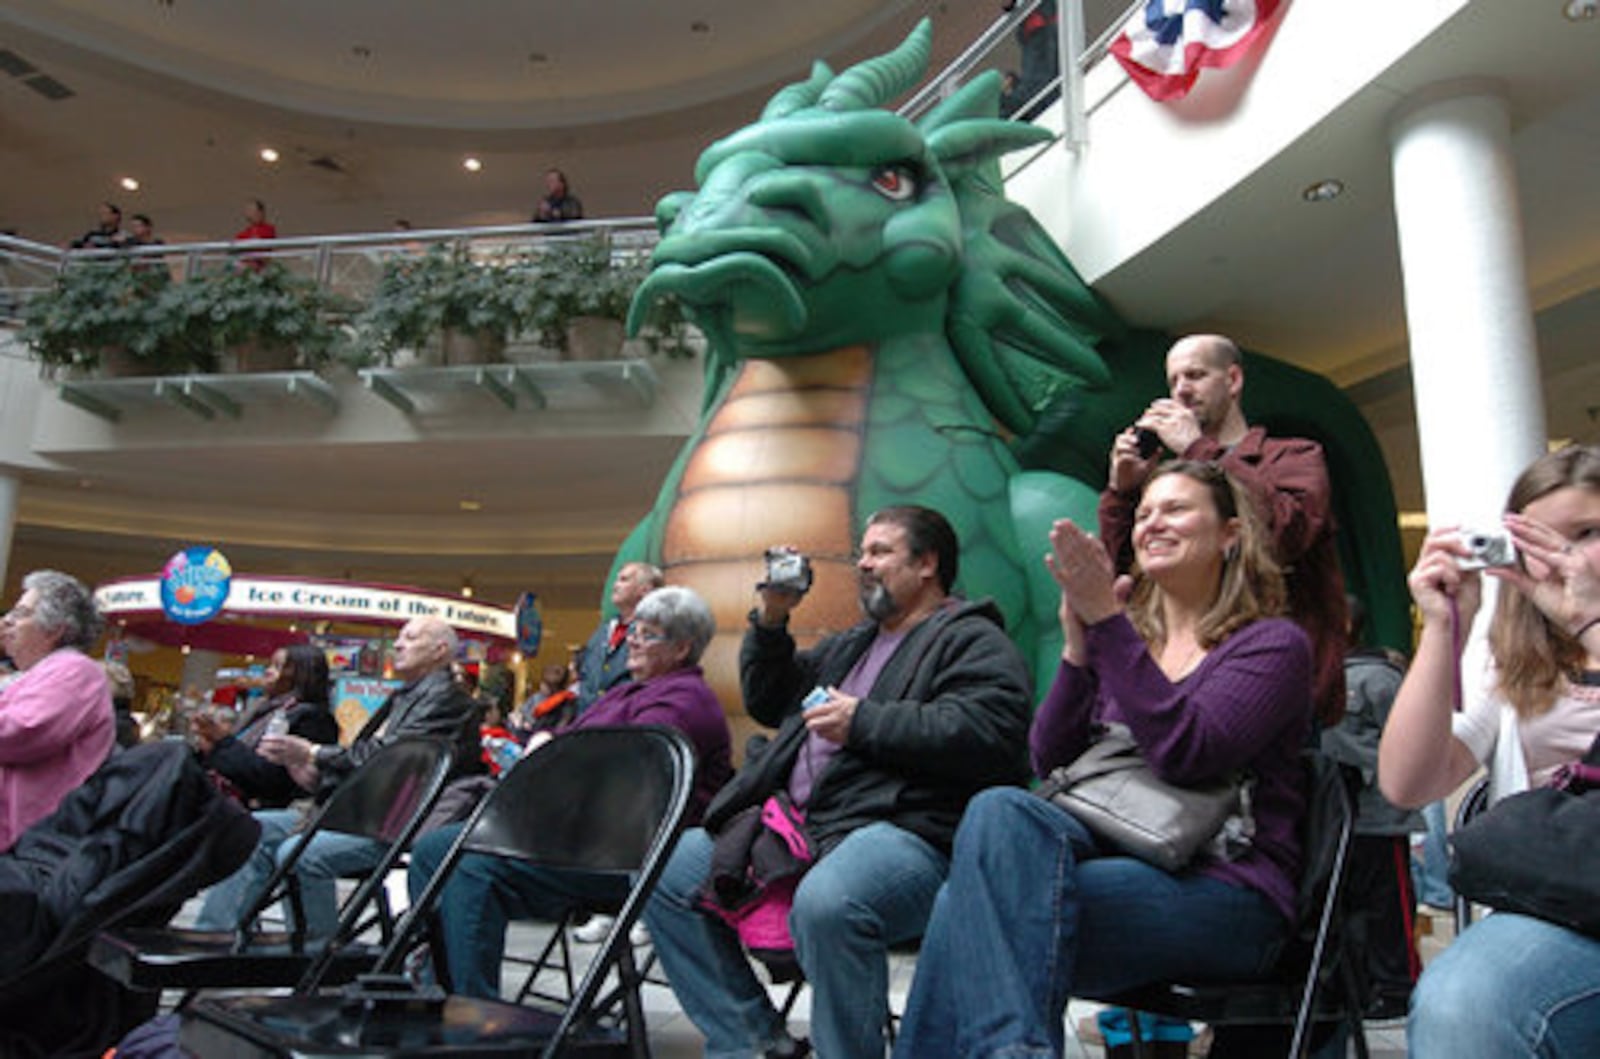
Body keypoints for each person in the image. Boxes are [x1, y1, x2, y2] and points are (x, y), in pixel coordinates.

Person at [894, 461, 1314, 1057]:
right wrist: (1077, 648)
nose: (1152, 524)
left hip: (1227, 888)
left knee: (967, 904)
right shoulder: (1125, 643)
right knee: (998, 814)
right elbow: (1049, 757)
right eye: (1144, 513)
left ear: (1230, 533)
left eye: (1175, 509)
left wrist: (1110, 626)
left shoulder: (1272, 645)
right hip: (1118, 859)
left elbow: (1188, 754)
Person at [645, 505, 1033, 1059]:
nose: (863, 564)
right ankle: (755, 1044)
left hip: (905, 834)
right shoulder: (852, 644)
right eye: (862, 554)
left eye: (879, 552)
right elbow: (768, 700)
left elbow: (992, 731)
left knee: (830, 900)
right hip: (798, 829)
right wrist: (773, 619)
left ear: (927, 564)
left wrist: (865, 722)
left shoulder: (971, 638)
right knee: (668, 868)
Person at [1378, 443, 1600, 1058]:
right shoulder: (1513, 663)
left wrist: (1591, 619)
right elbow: (1407, 784)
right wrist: (1445, 629)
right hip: (1564, 903)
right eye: (1545, 539)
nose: (1567, 557)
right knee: (1464, 1000)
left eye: (1588, 532)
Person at [409, 585, 735, 999]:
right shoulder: (627, 691)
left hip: (622, 853)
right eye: (634, 629)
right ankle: (437, 986)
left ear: (681, 648)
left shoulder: (684, 701)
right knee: (433, 849)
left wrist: (550, 755)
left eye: (648, 634)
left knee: (473, 865)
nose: (632, 639)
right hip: (577, 837)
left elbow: (629, 772)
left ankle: (473, 1013)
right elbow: (578, 744)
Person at [1101, 332, 1348, 725]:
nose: (1181, 391)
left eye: (1195, 375)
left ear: (1233, 380)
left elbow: (1286, 532)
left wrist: (1198, 448)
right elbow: (1124, 576)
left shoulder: (1294, 456)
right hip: (1184, 682)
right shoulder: (1169, 479)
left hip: (1282, 692)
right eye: (1173, 381)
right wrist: (1124, 491)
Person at [193, 616, 482, 939]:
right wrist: (315, 777)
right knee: (250, 829)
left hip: (392, 821)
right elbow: (376, 762)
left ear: (439, 650)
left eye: (411, 638)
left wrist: (314, 754)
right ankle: (218, 935)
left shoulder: (444, 698)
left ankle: (317, 951)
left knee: (299, 853)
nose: (399, 644)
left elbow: (391, 758)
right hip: (364, 811)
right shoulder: (409, 694)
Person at [1320, 594, 1422, 1019]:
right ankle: (1360, 986)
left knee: (1389, 906)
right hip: (1338, 822)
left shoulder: (1378, 679)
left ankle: (1398, 985)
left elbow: (1410, 744)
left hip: (1381, 818)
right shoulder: (1319, 680)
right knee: (1348, 906)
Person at [0, 570, 115, 852]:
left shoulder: (74, 671)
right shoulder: (35, 674)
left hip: (28, 845)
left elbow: (21, 731)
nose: (7, 621)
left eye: (22, 613)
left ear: (54, 629)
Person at [191, 644, 340, 810]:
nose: (267, 672)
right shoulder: (263, 710)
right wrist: (210, 745)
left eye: (277, 667)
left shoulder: (312, 719)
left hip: (258, 811)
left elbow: (270, 780)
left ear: (300, 675)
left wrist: (221, 741)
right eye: (270, 665)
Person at [575, 561, 664, 713]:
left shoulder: (657, 633)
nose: (615, 585)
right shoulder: (601, 632)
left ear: (645, 590)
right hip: (587, 727)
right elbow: (585, 678)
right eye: (616, 580)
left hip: (627, 726)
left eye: (624, 580)